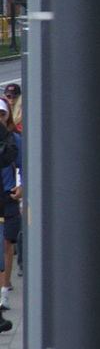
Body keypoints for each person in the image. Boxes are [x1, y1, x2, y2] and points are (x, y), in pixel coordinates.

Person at [0, 98, 22, 315]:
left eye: (2, 114)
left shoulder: (15, 140)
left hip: (9, 197)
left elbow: (24, 164)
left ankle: (4, 290)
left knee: (7, 242)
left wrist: (22, 187)